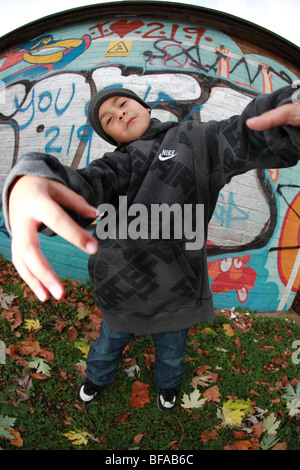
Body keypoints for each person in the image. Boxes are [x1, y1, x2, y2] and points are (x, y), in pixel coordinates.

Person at [2, 85, 300, 411]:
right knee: (106, 347)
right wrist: (32, 181)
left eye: (122, 104)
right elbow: (84, 184)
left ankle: (168, 387)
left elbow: (245, 136)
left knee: (172, 352)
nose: (119, 114)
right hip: (120, 288)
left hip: (177, 289)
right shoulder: (115, 165)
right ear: (112, 136)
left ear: (144, 107)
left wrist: (288, 110)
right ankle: (96, 378)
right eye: (109, 119)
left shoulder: (195, 141)